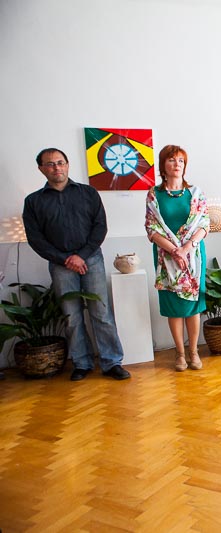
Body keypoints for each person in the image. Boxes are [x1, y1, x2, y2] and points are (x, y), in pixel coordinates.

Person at [22, 148, 130, 381]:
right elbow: (35, 239)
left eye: (60, 162)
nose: (56, 167)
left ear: (68, 165)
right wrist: (65, 259)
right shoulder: (33, 201)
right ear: (41, 169)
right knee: (71, 316)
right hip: (60, 265)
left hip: (91, 259)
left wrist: (81, 256)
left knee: (101, 312)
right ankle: (82, 363)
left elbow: (100, 226)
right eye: (50, 164)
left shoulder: (88, 193)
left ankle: (112, 362)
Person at [145, 145, 209, 371]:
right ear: (163, 165)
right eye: (172, 160)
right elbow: (152, 228)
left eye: (181, 160)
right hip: (166, 258)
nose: (177, 164)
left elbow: (204, 224)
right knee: (174, 306)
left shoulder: (195, 193)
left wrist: (186, 248)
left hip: (193, 256)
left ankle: (194, 352)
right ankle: (180, 354)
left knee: (193, 306)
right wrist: (175, 251)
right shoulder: (154, 194)